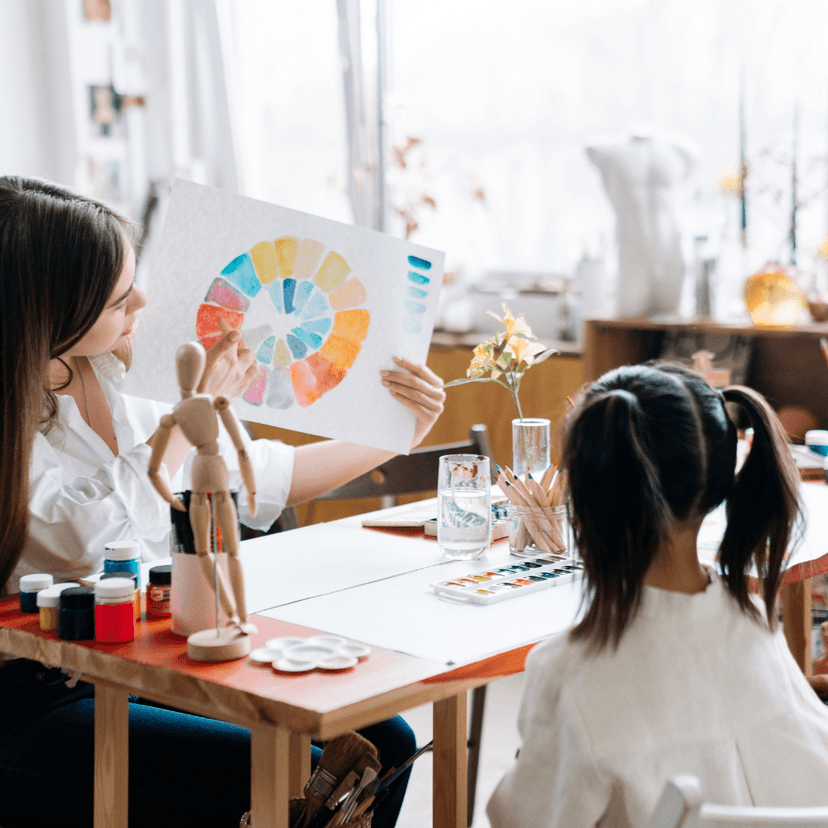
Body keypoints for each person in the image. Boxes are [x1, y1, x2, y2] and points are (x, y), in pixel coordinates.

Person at [0, 176, 446, 828]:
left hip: (139, 663)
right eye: (121, 296)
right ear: (51, 305)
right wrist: (190, 418)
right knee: (282, 771)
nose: (143, 301)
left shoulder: (113, 375)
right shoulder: (16, 414)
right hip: (36, 691)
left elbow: (265, 473)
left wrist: (395, 432)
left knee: (387, 740)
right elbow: (84, 543)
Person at [488, 362, 828, 828]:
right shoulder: (751, 622)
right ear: (717, 481)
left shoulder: (569, 671)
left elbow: (525, 820)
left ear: (585, 503)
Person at [586, 132, 695, 318]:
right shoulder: (609, 152)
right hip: (632, 250)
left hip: (671, 247)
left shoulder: (680, 151)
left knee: (672, 316)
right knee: (628, 316)